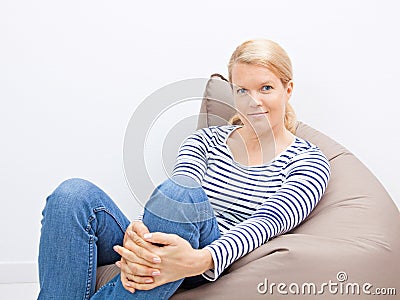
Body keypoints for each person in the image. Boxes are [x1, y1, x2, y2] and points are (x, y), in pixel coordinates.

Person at [38, 39, 331, 299]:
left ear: (287, 89)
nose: (254, 102)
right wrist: (139, 236)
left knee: (182, 192)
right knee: (71, 195)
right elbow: (172, 199)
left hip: (207, 260)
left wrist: (201, 259)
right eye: (242, 90)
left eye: (266, 88)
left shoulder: (308, 163)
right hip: (165, 239)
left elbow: (267, 223)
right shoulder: (203, 141)